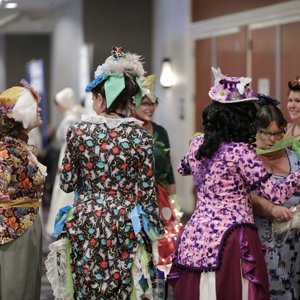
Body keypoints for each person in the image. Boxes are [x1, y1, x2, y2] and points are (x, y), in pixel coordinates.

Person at [167, 67, 300, 300]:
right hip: (232, 239)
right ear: (241, 116)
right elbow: (277, 194)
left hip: (196, 237)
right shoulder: (240, 152)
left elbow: (183, 167)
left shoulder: (198, 146)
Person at [46, 47, 164, 299]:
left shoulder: (77, 131)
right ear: (129, 100)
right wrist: (156, 233)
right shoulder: (141, 137)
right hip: (124, 221)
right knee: (122, 287)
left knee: (85, 285)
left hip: (85, 220)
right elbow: (146, 193)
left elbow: (67, 183)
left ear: (101, 98)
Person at [0, 80, 46, 300]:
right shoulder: (9, 146)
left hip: (26, 223)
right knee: (16, 287)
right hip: (14, 228)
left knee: (27, 285)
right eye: (35, 108)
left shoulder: (20, 144)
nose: (39, 112)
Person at [129, 74, 183, 266]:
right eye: (145, 103)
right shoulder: (128, 131)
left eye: (153, 104)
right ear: (133, 104)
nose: (150, 108)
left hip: (159, 196)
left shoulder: (161, 131)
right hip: (133, 198)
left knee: (164, 243)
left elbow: (168, 168)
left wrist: (174, 201)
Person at [251, 94, 300, 300]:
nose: (272, 139)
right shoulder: (248, 158)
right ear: (255, 131)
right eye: (266, 133)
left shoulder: (293, 156)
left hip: (295, 234)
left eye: (278, 133)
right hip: (262, 234)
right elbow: (245, 196)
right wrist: (271, 209)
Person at [45, 87, 84, 236]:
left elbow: (70, 144)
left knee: (64, 194)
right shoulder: (76, 115)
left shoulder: (71, 119)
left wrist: (66, 165)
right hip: (66, 156)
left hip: (67, 157)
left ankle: (63, 226)